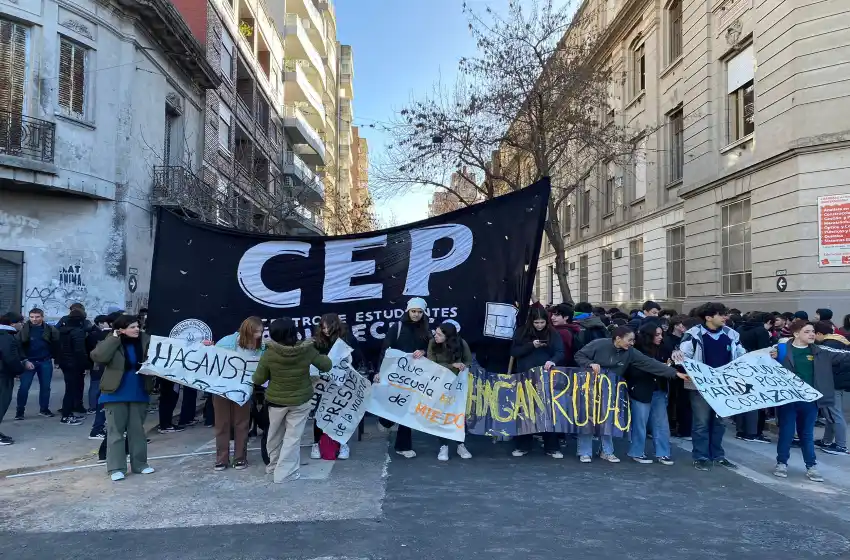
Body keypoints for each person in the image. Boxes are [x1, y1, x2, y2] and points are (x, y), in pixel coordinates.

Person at [575, 326, 688, 463]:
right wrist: (590, 363)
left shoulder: (630, 352)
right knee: (588, 419)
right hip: (590, 387)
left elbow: (649, 363)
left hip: (612, 389)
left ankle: (607, 451)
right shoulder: (599, 344)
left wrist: (675, 373)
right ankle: (585, 452)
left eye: (633, 340)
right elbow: (579, 355)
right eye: (630, 340)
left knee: (608, 420)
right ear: (618, 338)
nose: (632, 343)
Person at [253, 318, 331, 482]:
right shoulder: (307, 350)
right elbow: (326, 366)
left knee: (274, 436)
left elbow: (258, 379)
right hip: (300, 401)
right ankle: (285, 473)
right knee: (292, 438)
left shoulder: (269, 353)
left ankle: (273, 466)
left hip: (275, 401)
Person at [773, 320, 850, 481]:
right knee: (786, 433)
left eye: (813, 331)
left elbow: (845, 356)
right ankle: (781, 463)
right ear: (796, 334)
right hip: (788, 400)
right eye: (807, 331)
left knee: (806, 434)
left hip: (810, 401)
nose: (812, 334)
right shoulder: (780, 350)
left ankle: (811, 466)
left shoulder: (821, 351)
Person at [680, 303, 746, 471]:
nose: (725, 317)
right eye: (721, 314)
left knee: (720, 422)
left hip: (724, 387)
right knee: (701, 423)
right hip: (700, 387)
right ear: (708, 317)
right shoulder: (693, 335)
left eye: (725, 314)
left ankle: (718, 455)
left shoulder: (731, 334)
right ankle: (701, 456)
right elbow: (683, 357)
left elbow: (741, 354)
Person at [90, 314, 155, 481]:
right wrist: (114, 338)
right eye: (132, 327)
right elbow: (98, 356)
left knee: (137, 431)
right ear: (121, 329)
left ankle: (140, 464)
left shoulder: (146, 340)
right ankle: (116, 468)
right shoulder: (111, 341)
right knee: (116, 432)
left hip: (138, 391)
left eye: (137, 326)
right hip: (114, 393)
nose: (136, 329)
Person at [208, 316, 266, 471]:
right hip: (222, 389)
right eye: (256, 332)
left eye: (261, 331)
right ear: (247, 330)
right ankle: (221, 459)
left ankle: (240, 458)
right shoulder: (226, 342)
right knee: (222, 424)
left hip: (243, 389)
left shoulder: (261, 346)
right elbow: (212, 362)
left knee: (242, 424)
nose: (259, 335)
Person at [378, 297, 433, 458]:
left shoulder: (426, 329)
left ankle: (403, 446)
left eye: (419, 312)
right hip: (396, 373)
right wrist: (379, 371)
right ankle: (385, 420)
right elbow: (385, 349)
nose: (416, 315)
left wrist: (423, 352)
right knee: (393, 404)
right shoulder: (398, 327)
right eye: (413, 311)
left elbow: (432, 349)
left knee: (408, 409)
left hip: (415, 376)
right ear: (408, 311)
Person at [510, 306, 565, 458]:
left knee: (548, 412)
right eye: (536, 322)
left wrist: (553, 361)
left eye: (542, 322)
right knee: (525, 411)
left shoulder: (552, 333)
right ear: (531, 321)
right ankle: (523, 445)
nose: (539, 325)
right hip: (525, 376)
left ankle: (552, 447)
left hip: (546, 377)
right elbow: (514, 352)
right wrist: (531, 345)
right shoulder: (522, 332)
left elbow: (560, 352)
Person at [311, 313, 363, 461]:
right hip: (322, 382)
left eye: (328, 327)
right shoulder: (317, 341)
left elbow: (358, 358)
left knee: (341, 413)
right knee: (320, 413)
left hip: (343, 383)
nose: (325, 330)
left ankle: (343, 444)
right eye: (323, 327)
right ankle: (317, 443)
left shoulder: (348, 338)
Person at [626, 323, 678, 465]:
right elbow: (632, 371)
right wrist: (659, 368)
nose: (661, 337)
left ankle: (663, 453)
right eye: (657, 334)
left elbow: (671, 363)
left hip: (659, 389)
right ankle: (637, 452)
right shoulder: (636, 350)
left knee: (661, 423)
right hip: (641, 389)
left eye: (661, 334)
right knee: (639, 423)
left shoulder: (664, 348)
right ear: (648, 335)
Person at [427, 321, 473, 461]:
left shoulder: (461, 343)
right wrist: (451, 365)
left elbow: (468, 360)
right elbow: (430, 363)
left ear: (448, 336)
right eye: (436, 333)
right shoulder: (432, 343)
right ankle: (443, 446)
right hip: (439, 384)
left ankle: (460, 444)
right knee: (441, 415)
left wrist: (463, 366)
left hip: (457, 385)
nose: (436, 336)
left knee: (458, 414)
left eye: (440, 334)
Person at [734, 312, 774, 444]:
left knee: (742, 399)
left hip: (740, 367)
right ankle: (752, 433)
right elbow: (764, 352)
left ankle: (741, 430)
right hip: (756, 369)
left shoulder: (740, 329)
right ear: (767, 322)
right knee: (756, 401)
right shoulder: (761, 331)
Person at [14, 308, 60, 419]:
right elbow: (17, 347)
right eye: (32, 317)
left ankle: (44, 409)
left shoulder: (49, 329)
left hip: (45, 361)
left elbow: (57, 344)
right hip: (28, 362)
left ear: (42, 317)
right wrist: (24, 361)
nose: (34, 319)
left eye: (37, 317)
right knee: (24, 388)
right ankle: (20, 411)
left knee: (45, 387)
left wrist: (56, 360)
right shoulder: (23, 330)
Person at [813, 321, 849, 455]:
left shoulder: (827, 346)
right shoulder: (841, 341)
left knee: (835, 414)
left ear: (819, 333)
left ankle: (841, 445)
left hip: (833, 383)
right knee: (831, 414)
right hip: (841, 383)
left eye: (813, 333)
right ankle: (827, 441)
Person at [1, 312, 32, 445]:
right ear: (13, 324)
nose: (23, 324)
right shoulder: (6, 337)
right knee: (1, 403)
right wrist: (19, 370)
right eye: (21, 322)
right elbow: (10, 358)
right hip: (2, 376)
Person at [57, 309, 90, 426]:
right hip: (75, 364)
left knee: (69, 389)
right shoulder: (78, 332)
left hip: (65, 363)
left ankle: (68, 413)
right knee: (71, 390)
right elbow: (80, 351)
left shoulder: (62, 331)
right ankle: (66, 416)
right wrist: (86, 365)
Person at [85, 314, 114, 440]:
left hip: (99, 370)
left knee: (97, 392)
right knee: (102, 397)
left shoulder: (94, 335)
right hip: (104, 371)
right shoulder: (110, 338)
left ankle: (94, 411)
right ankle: (97, 428)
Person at [664, 315, 691, 439]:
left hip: (686, 373)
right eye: (682, 325)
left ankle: (683, 427)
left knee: (684, 401)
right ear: (675, 325)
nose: (684, 327)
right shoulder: (668, 339)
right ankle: (672, 425)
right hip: (673, 373)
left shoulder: (688, 339)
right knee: (673, 400)